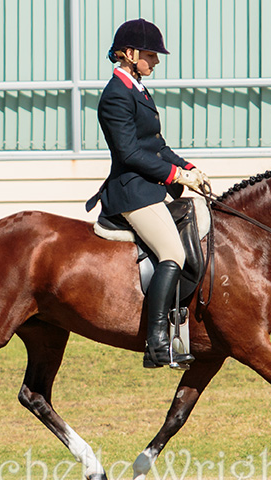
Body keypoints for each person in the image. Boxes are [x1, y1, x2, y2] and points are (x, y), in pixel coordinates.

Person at [85, 18, 210, 369]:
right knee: (172, 251)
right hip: (130, 192)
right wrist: (175, 175)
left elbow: (155, 145)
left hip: (149, 187)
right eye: (151, 55)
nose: (156, 61)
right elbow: (129, 153)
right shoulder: (115, 95)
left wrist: (189, 169)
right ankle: (156, 341)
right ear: (129, 53)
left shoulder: (137, 89)